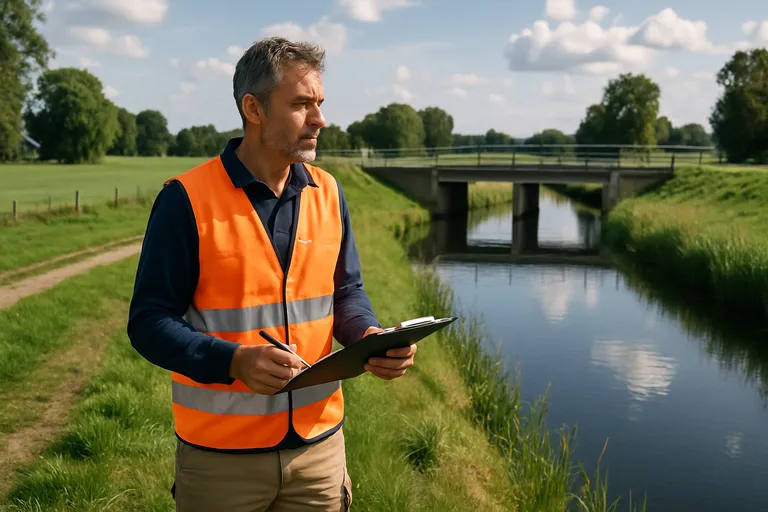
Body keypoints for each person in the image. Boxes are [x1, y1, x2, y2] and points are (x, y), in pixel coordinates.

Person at [126, 37, 418, 512]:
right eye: (302, 105)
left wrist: (368, 336)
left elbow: (346, 292)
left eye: (319, 103)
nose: (320, 119)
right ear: (253, 109)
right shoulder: (185, 199)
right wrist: (233, 362)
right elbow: (148, 323)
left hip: (318, 453)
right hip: (221, 464)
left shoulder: (329, 192)